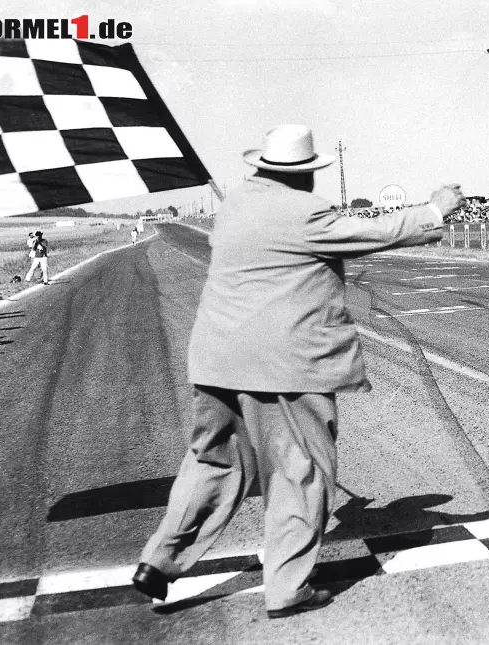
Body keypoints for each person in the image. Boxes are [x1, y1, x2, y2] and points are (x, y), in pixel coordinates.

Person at [132, 124, 464, 619]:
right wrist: (434, 209)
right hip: (283, 367)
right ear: (303, 174)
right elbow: (372, 232)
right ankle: (287, 588)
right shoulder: (304, 212)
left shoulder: (236, 205)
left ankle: (159, 561)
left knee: (212, 463)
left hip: (216, 359)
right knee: (299, 473)